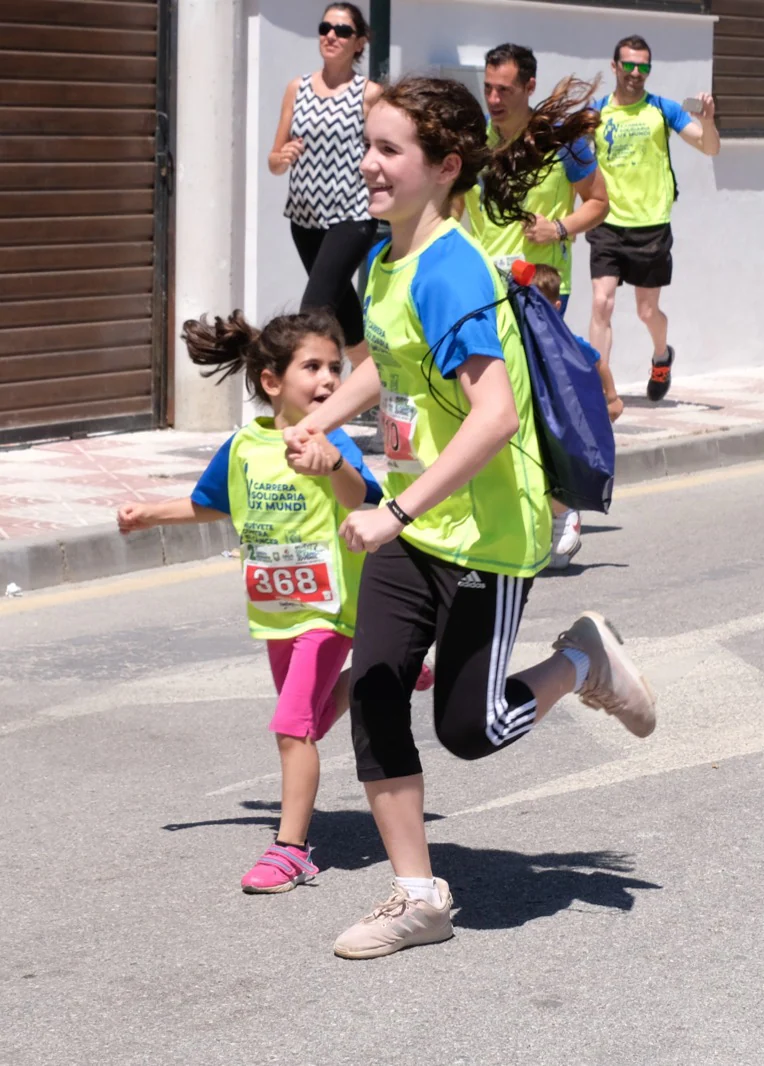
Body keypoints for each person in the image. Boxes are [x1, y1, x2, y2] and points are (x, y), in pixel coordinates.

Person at [282, 75, 658, 959]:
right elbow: (388, 358)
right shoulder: (388, 258)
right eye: (368, 146)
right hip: (418, 523)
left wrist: (392, 507)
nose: (369, 165)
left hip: (486, 531)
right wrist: (323, 418)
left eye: (389, 151)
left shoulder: (451, 267)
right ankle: (418, 897)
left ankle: (582, 658)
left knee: (471, 730)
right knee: (375, 689)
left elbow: (492, 418)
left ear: (445, 167)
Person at [115, 310, 388, 893]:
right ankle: (384, 671)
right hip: (275, 613)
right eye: (313, 366)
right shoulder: (243, 447)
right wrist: (149, 516)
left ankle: (291, 849)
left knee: (293, 727)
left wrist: (331, 460)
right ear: (271, 381)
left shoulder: (331, 441)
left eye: (336, 368)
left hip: (328, 608)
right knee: (309, 718)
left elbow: (360, 494)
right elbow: (212, 503)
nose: (329, 380)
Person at [588, 35, 719, 404]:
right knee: (602, 303)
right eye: (628, 64)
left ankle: (662, 357)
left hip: (651, 226)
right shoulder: (595, 114)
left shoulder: (663, 110)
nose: (635, 72)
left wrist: (707, 121)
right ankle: (601, 387)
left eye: (642, 66)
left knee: (647, 312)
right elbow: (574, 166)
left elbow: (709, 147)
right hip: (608, 224)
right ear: (614, 66)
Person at [267, 4, 384, 365]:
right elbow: (273, 161)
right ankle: (379, 389)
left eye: (343, 30)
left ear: (360, 42)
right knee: (346, 314)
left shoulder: (370, 94)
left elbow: (390, 148)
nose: (331, 35)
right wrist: (282, 157)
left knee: (314, 312)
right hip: (304, 220)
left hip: (350, 217)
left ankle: (312, 404)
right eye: (325, 27)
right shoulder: (296, 88)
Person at [462, 44, 610, 325]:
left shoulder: (559, 139)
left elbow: (599, 202)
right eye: (488, 88)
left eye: (504, 90)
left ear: (529, 86)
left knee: (531, 370)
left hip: (540, 283)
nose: (493, 99)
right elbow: (453, 206)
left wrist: (557, 229)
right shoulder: (474, 138)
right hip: (486, 282)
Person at [526, 262, 617, 569]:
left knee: (553, 470)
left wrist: (613, 398)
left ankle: (566, 514)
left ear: (556, 305)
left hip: (563, 419)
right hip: (533, 415)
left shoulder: (566, 341)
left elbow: (597, 362)